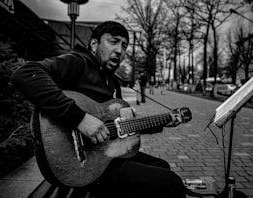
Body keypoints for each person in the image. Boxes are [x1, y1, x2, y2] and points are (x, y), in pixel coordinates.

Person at [11, 21, 187, 198]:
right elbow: (26, 74)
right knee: (171, 183)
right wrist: (80, 119)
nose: (120, 50)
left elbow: (122, 126)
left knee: (162, 166)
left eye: (124, 45)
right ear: (94, 44)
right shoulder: (77, 62)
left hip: (108, 154)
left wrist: (164, 121)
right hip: (84, 163)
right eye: (113, 41)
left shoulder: (113, 83)